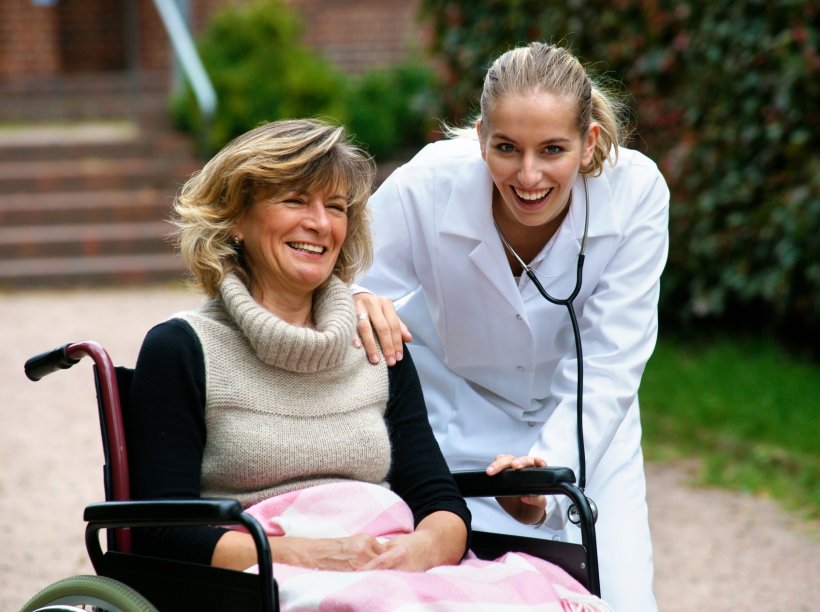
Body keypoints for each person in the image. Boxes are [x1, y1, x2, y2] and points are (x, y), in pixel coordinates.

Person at [354, 42, 669, 611]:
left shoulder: (636, 194)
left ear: (589, 142)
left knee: (619, 597)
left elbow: (609, 361)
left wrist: (546, 477)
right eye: (506, 148)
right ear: (480, 138)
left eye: (553, 150)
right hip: (455, 409)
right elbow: (342, 276)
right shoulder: (427, 184)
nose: (528, 175)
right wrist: (356, 299)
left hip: (586, 420)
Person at [126, 118, 471, 574]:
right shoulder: (184, 349)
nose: (320, 223)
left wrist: (418, 551)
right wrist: (303, 555)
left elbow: (439, 500)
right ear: (235, 220)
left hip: (393, 571)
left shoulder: (375, 338)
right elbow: (161, 532)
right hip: (262, 581)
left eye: (336, 206)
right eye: (294, 201)